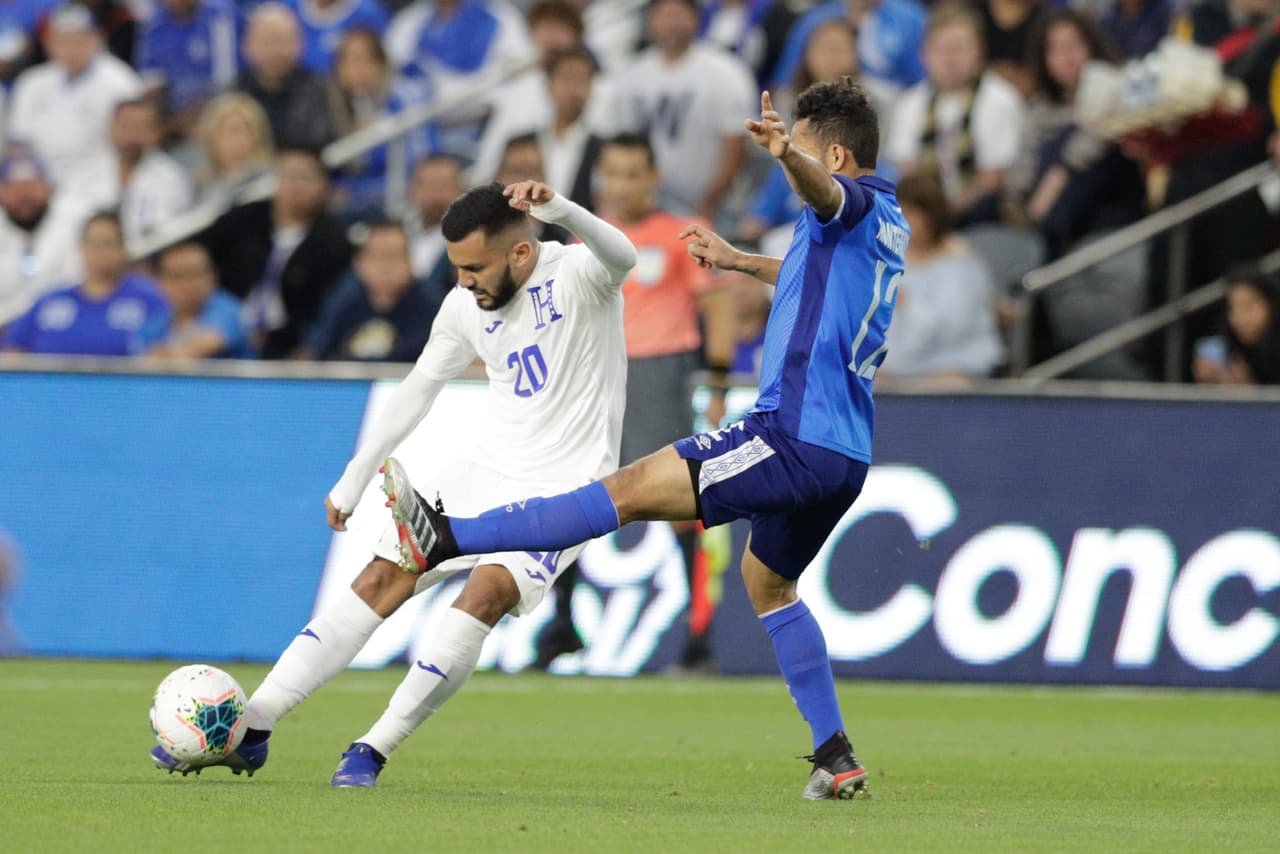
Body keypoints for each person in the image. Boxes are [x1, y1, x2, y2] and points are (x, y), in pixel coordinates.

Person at [382, 77, 903, 801]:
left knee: (625, 491)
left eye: (810, 150)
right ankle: (835, 755)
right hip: (844, 452)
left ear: (836, 155)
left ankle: (448, 536)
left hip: (792, 433)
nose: (798, 167)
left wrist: (788, 155)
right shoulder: (888, 223)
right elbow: (815, 280)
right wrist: (740, 261)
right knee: (768, 583)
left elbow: (826, 196)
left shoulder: (848, 201)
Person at [149, 180, 638, 788]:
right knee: (379, 578)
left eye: (474, 266)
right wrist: (353, 478)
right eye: (456, 266)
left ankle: (372, 748)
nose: (462, 280)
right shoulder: (464, 305)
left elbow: (624, 255)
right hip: (483, 468)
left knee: (483, 595)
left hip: (567, 488)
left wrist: (560, 211)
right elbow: (417, 389)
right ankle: (255, 728)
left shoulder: (578, 276)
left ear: (519, 252)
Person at [533, 132, 734, 671]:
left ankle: (701, 634)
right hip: (594, 378)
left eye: (631, 173)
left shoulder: (678, 235)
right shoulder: (584, 239)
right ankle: (562, 623)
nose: (619, 184)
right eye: (611, 173)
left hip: (658, 374)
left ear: (653, 178)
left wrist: (716, 383)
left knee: (674, 506)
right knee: (576, 497)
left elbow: (717, 309)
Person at [604, 0, 756, 219]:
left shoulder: (726, 71)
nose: (671, 23)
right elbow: (616, 143)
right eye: (664, 15)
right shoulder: (631, 75)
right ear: (650, 20)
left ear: (696, 19)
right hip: (640, 205)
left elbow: (736, 142)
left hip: (706, 205)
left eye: (678, 15)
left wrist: (710, 202)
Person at [198, 146, 353, 357]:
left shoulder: (334, 242)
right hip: (228, 327)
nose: (295, 186)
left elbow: (325, 311)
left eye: (305, 177)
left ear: (323, 184)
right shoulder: (243, 220)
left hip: (287, 346)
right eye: (288, 175)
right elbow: (201, 255)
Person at [885, 2, 1025, 225]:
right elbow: (908, 170)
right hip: (925, 217)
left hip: (985, 215)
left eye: (958, 48)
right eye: (940, 50)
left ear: (978, 52)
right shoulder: (909, 104)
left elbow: (994, 178)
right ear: (924, 56)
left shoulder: (1000, 99)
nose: (949, 59)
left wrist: (949, 214)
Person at [880, 172, 1002, 378]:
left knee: (949, 383)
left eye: (911, 213)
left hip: (950, 366)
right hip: (896, 371)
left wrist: (908, 304)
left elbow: (952, 330)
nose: (901, 221)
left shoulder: (961, 267)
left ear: (931, 218)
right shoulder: (884, 262)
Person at [7, 4, 143, 185]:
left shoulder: (121, 82)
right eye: (62, 41)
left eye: (77, 40)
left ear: (97, 38)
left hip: (99, 179)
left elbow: (132, 144)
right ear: (48, 43)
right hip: (41, 182)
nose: (70, 50)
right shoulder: (31, 82)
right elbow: (18, 143)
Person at [2, 211, 167, 355]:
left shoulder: (147, 299)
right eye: (94, 243)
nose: (100, 252)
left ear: (122, 248)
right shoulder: (52, 300)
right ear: (81, 248)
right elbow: (14, 349)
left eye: (107, 243)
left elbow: (164, 348)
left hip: (124, 389)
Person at [326, 28, 435, 220]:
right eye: (348, 61)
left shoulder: (406, 99)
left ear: (382, 63)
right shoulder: (334, 107)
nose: (357, 70)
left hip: (403, 198)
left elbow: (422, 162)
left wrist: (353, 193)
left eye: (364, 60)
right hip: (361, 201)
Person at [298, 219, 444, 361]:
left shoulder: (433, 307)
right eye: (376, 256)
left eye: (393, 256)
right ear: (359, 263)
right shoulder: (344, 303)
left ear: (410, 262)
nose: (385, 267)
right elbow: (316, 350)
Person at [76, 99, 194, 251]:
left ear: (156, 134)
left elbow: (168, 233)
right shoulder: (84, 173)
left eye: (140, 127)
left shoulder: (171, 178)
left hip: (147, 262)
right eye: (125, 125)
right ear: (110, 129)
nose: (131, 135)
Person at [0, 145, 91, 328]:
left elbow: (79, 284)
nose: (24, 197)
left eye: (32, 187)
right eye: (15, 189)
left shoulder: (77, 220)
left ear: (48, 187)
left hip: (63, 326)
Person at [135, 0, 242, 143]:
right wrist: (161, 122)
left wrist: (185, 120)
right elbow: (152, 81)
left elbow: (226, 82)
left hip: (216, 109)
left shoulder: (220, 15)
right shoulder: (154, 20)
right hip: (172, 118)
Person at [235, 2, 336, 150]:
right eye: (266, 41)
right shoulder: (233, 94)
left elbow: (321, 142)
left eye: (282, 40)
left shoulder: (323, 90)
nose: (275, 50)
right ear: (246, 46)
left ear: (300, 43)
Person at [138, 240, 252, 359]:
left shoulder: (228, 309)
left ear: (212, 276)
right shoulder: (157, 320)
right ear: (161, 282)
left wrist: (168, 354)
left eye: (195, 274)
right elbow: (145, 359)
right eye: (178, 276)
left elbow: (204, 345)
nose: (188, 284)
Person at [1194, 269, 1280, 386]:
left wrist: (1253, 393)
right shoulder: (1229, 343)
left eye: (1248, 307)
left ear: (1271, 305)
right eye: (1233, 308)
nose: (1240, 318)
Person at [191, 92, 277, 205]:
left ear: (256, 136)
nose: (234, 140)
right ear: (210, 137)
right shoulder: (202, 183)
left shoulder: (270, 181)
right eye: (225, 132)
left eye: (239, 131)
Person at [402, 153, 463, 292]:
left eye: (444, 186)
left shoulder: (472, 236)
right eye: (429, 186)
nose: (436, 195)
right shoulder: (399, 228)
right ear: (413, 191)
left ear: (460, 190)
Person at [285, 0, 387, 74]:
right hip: (295, 93)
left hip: (344, 97)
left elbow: (383, 64)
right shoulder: (287, 10)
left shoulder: (368, 15)